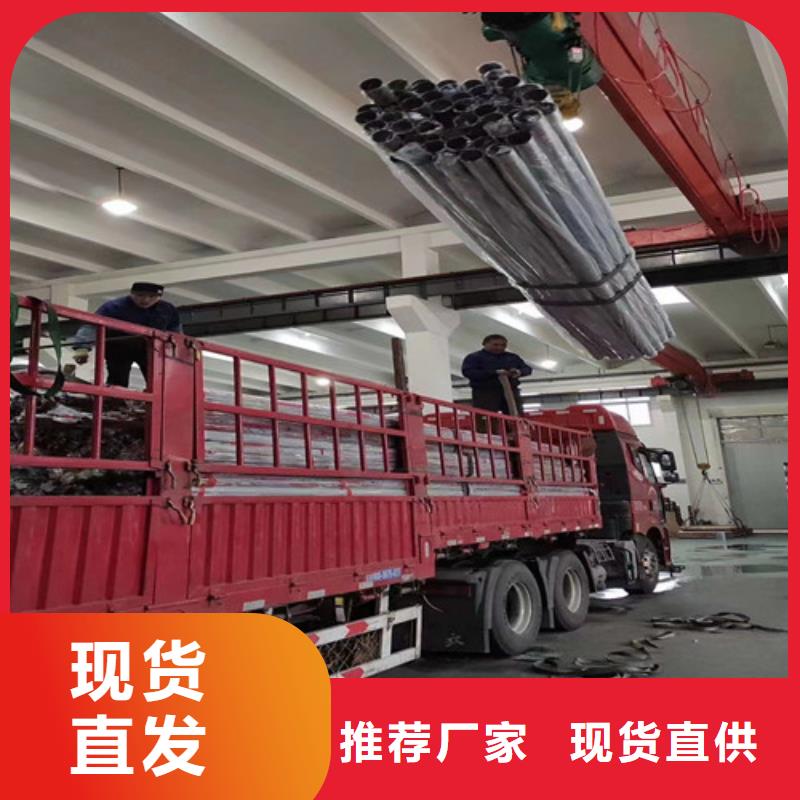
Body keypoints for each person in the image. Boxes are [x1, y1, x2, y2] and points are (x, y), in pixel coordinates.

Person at [73, 282, 182, 387]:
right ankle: (115, 397)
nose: (146, 300)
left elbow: (175, 334)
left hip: (150, 348)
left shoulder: (168, 310)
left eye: (152, 296)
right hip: (119, 346)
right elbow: (92, 325)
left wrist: (177, 354)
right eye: (140, 295)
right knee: (118, 379)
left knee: (158, 381)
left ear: (159, 297)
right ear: (131, 294)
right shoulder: (114, 307)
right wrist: (82, 347)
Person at [461, 334, 532, 415]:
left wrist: (519, 372)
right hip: (485, 392)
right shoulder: (474, 357)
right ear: (485, 344)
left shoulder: (512, 357)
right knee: (486, 417)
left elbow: (527, 369)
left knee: (516, 416)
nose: (499, 347)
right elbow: (468, 372)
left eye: (503, 345)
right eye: (495, 345)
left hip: (511, 391)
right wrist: (494, 373)